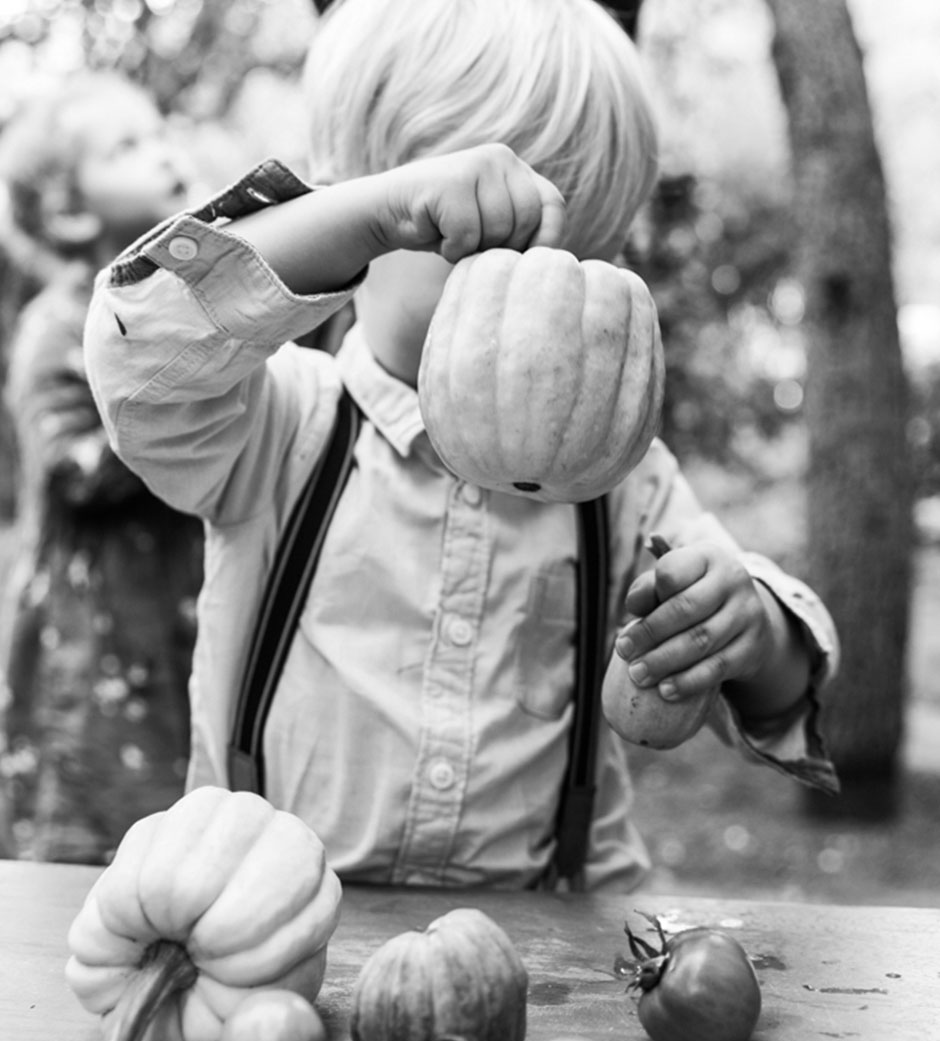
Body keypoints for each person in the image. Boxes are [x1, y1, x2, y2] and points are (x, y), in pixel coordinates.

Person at [83, 0, 839, 891]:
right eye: (494, 253)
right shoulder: (278, 429)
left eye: (583, 264)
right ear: (376, 218)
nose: (546, 301)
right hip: (273, 939)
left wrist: (747, 633)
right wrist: (358, 216)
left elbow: (784, 699)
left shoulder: (627, 486)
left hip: (554, 956)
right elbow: (141, 348)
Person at [0, 72, 205, 863]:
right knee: (91, 836)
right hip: (91, 643)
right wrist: (195, 390)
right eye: (127, 147)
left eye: (159, 132)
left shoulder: (186, 309)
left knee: (182, 830)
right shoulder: (56, 325)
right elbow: (74, 468)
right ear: (70, 209)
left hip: (175, 618)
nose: (162, 154)